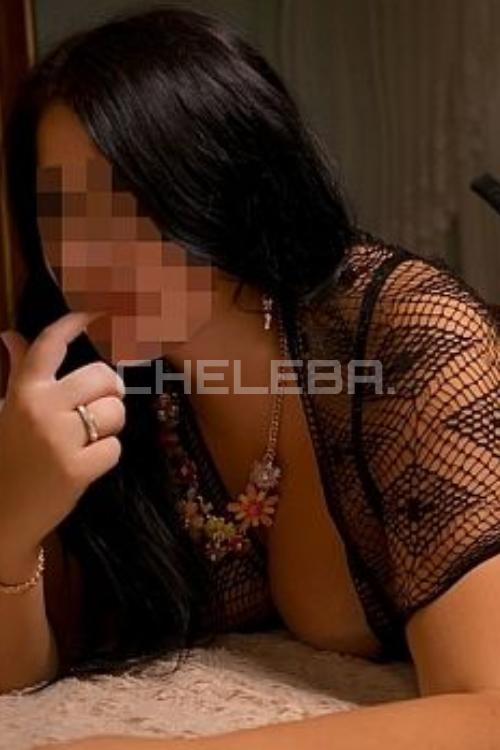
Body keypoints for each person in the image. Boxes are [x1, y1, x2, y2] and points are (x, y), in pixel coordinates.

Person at [0, 6, 499, 750]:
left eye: (129, 204)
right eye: (63, 215)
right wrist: (12, 522)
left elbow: (490, 709)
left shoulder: (401, 335)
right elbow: (17, 685)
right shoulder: (113, 386)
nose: (88, 256)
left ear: (223, 185)